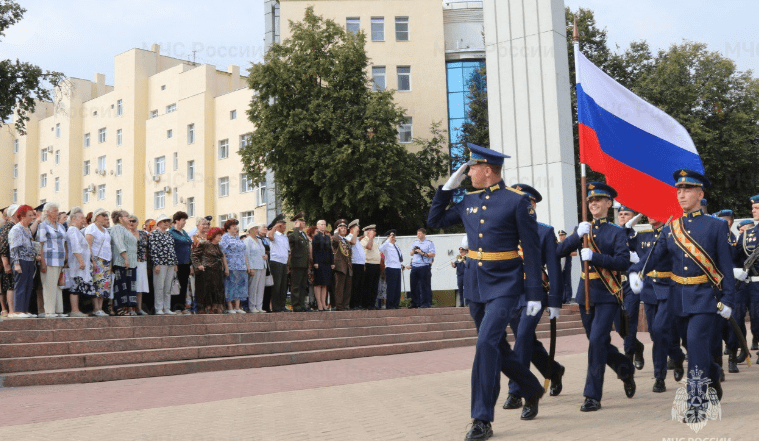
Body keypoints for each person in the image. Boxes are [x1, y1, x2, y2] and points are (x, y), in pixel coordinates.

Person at [427, 144, 544, 440]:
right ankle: (530, 388)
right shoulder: (468, 200)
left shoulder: (517, 201)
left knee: (485, 344)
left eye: (471, 169)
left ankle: (481, 419)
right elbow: (434, 221)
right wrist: (445, 189)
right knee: (497, 347)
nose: (468, 174)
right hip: (475, 284)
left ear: (487, 170)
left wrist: (533, 293)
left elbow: (531, 251)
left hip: (506, 284)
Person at [630, 169, 736, 418]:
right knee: (692, 347)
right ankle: (713, 378)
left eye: (687, 190)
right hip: (678, 298)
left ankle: (697, 402)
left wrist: (728, 298)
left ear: (700, 194)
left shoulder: (716, 226)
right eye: (678, 190)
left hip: (703, 298)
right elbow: (654, 257)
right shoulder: (671, 228)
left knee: (697, 345)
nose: (681, 194)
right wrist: (636, 271)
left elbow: (725, 267)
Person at [556, 182, 635, 412]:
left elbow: (622, 262)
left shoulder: (616, 232)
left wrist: (595, 257)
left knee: (597, 342)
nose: (593, 204)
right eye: (590, 201)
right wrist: (575, 236)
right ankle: (625, 369)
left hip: (607, 294)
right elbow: (558, 252)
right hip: (585, 295)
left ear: (609, 203)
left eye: (598, 200)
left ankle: (592, 395)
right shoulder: (583, 229)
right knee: (597, 342)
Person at [502, 183, 564, 416]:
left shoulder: (544, 231)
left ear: (532, 206)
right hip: (509, 295)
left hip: (534, 294)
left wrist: (556, 300)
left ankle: (517, 391)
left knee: (522, 340)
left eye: (525, 203)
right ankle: (554, 370)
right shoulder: (504, 231)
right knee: (526, 341)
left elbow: (554, 268)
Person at [635, 218, 685, 392]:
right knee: (656, 334)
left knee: (660, 329)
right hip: (649, 289)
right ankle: (677, 357)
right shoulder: (642, 235)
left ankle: (659, 377)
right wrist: (631, 221)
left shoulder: (673, 233)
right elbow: (622, 239)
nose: (650, 215)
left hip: (669, 288)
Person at [615, 205, 645, 370]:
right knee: (619, 326)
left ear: (634, 217)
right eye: (620, 214)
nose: (623, 216)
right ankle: (638, 347)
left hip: (631, 283)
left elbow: (645, 256)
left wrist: (636, 258)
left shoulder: (637, 236)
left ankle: (628, 357)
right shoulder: (613, 233)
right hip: (614, 284)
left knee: (630, 319)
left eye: (627, 214)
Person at [732, 196, 759, 360]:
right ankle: (742, 348)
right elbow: (735, 257)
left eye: (757, 208)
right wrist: (735, 271)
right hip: (745, 284)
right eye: (753, 208)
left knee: (757, 320)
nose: (753, 211)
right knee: (737, 315)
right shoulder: (747, 234)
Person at [36, 202, 68, 318]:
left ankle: (58, 310)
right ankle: (49, 311)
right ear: (48, 212)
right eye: (55, 211)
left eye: (57, 210)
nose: (57, 213)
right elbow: (40, 244)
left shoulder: (60, 226)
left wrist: (66, 258)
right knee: (49, 285)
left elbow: (64, 241)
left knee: (58, 285)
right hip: (49, 259)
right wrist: (43, 262)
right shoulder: (43, 225)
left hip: (59, 259)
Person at [9, 205, 37, 318]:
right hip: (20, 260)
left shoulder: (27, 229)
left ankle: (25, 310)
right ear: (22, 216)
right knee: (20, 285)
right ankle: (18, 310)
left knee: (28, 285)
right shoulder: (16, 229)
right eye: (30, 215)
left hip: (29, 260)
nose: (32, 218)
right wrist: (16, 264)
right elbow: (14, 248)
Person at [63, 208, 91, 317]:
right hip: (76, 264)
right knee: (74, 287)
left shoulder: (76, 230)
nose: (83, 220)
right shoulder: (73, 230)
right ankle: (74, 310)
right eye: (81, 218)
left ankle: (76, 309)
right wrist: (81, 261)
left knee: (77, 287)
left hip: (78, 265)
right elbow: (75, 247)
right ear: (73, 218)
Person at [109, 210, 138, 316]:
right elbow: (119, 243)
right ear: (120, 219)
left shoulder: (125, 229)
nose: (129, 218)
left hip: (131, 263)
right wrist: (126, 258)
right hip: (122, 262)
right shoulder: (117, 228)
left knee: (130, 286)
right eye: (126, 216)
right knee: (121, 286)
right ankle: (120, 308)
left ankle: (129, 308)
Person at [85, 208, 112, 317]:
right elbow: (88, 246)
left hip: (106, 260)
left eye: (106, 215)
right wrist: (93, 261)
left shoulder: (105, 230)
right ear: (96, 217)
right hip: (97, 259)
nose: (106, 217)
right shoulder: (91, 228)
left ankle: (100, 308)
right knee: (96, 284)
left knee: (103, 285)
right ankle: (96, 308)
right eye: (103, 215)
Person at [149, 214, 179, 315]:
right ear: (159, 223)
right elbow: (153, 250)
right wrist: (156, 263)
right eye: (164, 221)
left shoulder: (169, 234)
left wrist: (175, 263)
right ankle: (158, 308)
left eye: (168, 221)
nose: (167, 223)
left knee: (168, 287)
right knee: (159, 286)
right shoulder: (154, 234)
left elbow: (172, 249)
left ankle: (167, 308)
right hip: (160, 263)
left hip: (170, 263)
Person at [192, 227, 226, 314]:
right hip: (207, 271)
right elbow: (194, 255)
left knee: (218, 290)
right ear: (213, 235)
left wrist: (224, 268)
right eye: (218, 235)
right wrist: (199, 265)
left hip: (218, 271)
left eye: (220, 235)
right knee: (208, 290)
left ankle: (216, 307)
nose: (220, 237)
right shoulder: (205, 244)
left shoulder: (218, 245)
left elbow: (221, 257)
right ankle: (207, 307)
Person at [220, 218, 249, 314]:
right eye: (233, 226)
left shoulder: (237, 237)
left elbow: (243, 252)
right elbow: (222, 253)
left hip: (241, 265)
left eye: (236, 226)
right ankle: (230, 307)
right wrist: (226, 267)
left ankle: (237, 307)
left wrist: (247, 266)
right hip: (231, 265)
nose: (235, 227)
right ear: (228, 229)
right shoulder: (225, 237)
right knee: (230, 286)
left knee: (240, 286)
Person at [169, 211, 193, 314]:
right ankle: (175, 307)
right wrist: (174, 263)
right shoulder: (171, 232)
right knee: (176, 285)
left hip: (186, 262)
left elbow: (188, 244)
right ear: (177, 221)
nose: (184, 222)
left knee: (183, 285)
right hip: (177, 263)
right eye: (183, 220)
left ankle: (183, 307)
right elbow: (171, 249)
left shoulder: (184, 232)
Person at [266, 215, 290, 312]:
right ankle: (276, 307)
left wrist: (288, 265)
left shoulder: (285, 237)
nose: (284, 227)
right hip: (276, 262)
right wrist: (274, 227)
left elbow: (287, 251)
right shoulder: (273, 234)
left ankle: (282, 305)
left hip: (284, 263)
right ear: (278, 226)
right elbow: (270, 237)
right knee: (277, 285)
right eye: (283, 225)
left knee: (284, 286)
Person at [287, 213, 310, 312]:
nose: (304, 223)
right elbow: (295, 240)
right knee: (296, 285)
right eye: (302, 221)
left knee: (303, 286)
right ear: (296, 223)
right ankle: (296, 305)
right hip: (296, 263)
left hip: (304, 263)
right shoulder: (291, 232)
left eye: (304, 221)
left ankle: (302, 304)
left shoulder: (303, 234)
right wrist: (296, 228)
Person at [332, 219, 355, 311]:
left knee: (348, 288)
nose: (344, 229)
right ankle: (339, 306)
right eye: (341, 227)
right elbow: (334, 242)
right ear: (337, 229)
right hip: (340, 266)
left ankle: (346, 305)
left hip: (348, 266)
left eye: (345, 228)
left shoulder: (346, 240)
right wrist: (336, 233)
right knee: (339, 288)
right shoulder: (336, 238)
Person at [0, 205, 19, 317]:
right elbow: (3, 247)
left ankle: (16, 309)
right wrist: (6, 264)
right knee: (10, 285)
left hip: (16, 260)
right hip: (10, 260)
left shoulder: (17, 226)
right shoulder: (8, 227)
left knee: (15, 285)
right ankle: (11, 310)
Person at [408, 228, 435, 308]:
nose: (418, 235)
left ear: (424, 234)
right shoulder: (415, 242)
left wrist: (422, 253)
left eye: (420, 233)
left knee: (424, 285)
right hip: (415, 266)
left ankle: (425, 303)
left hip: (424, 266)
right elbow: (411, 253)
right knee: (413, 285)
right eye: (417, 233)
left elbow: (433, 254)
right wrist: (414, 251)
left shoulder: (429, 243)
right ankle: (415, 302)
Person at [128, 214, 149, 315]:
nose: (131, 223)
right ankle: (130, 308)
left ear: (137, 222)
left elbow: (147, 247)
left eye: (133, 221)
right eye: (130, 221)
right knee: (130, 285)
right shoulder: (126, 233)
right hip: (130, 262)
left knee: (140, 285)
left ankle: (139, 308)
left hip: (142, 262)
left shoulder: (143, 233)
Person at [311, 220, 333, 311]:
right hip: (319, 263)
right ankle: (319, 303)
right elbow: (314, 250)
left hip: (327, 263)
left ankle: (324, 303)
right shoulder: (316, 237)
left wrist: (332, 262)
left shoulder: (327, 237)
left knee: (325, 284)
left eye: (325, 224)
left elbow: (330, 251)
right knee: (318, 283)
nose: (323, 226)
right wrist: (315, 262)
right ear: (317, 226)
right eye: (322, 224)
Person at [244, 225, 266, 313]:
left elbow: (262, 252)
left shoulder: (259, 240)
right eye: (255, 229)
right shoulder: (248, 241)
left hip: (262, 265)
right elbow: (247, 255)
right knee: (253, 287)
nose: (257, 230)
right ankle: (252, 306)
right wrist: (250, 267)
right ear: (250, 230)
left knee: (260, 288)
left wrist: (266, 256)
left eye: (257, 228)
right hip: (254, 266)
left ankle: (259, 306)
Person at [379, 230, 403, 309]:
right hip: (390, 268)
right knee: (391, 287)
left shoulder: (396, 245)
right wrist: (388, 240)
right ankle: (390, 304)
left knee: (397, 287)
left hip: (397, 267)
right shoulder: (386, 245)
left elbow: (397, 257)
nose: (393, 238)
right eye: (392, 236)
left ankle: (396, 304)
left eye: (394, 236)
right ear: (388, 237)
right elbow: (380, 249)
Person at [361, 224, 381, 309]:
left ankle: (372, 303)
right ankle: (367, 304)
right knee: (368, 285)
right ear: (368, 232)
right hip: (369, 264)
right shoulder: (364, 240)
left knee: (374, 285)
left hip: (376, 265)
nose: (375, 233)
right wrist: (370, 238)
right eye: (373, 231)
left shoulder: (374, 241)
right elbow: (368, 247)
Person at [346, 219, 365, 310]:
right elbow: (352, 242)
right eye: (357, 229)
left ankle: (358, 303)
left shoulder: (356, 238)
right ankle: (353, 304)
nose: (358, 231)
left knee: (360, 285)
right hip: (355, 264)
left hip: (360, 264)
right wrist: (354, 233)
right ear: (351, 229)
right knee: (355, 285)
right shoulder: (349, 237)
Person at [256, 224, 273, 312]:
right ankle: (259, 306)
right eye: (264, 228)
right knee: (258, 287)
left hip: (267, 264)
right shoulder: (256, 239)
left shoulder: (266, 239)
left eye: (266, 228)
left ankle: (266, 306)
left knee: (268, 287)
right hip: (258, 265)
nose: (266, 229)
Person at [557, 230, 576, 304]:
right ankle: (562, 298)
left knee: (567, 282)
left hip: (567, 265)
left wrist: (566, 252)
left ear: (565, 236)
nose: (561, 237)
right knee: (560, 282)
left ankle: (568, 298)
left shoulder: (569, 244)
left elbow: (575, 253)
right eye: (560, 236)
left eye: (562, 235)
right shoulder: (558, 244)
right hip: (560, 265)